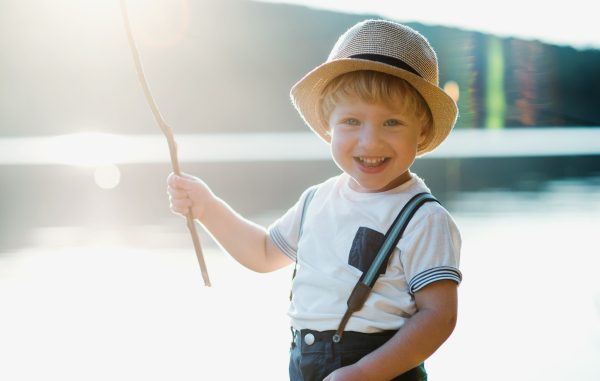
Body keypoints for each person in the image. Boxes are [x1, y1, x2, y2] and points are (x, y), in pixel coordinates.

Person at [167, 20, 461, 381]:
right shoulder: (316, 200)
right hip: (305, 363)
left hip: (382, 370)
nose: (370, 142)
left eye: (392, 123)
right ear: (328, 125)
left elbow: (438, 317)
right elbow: (262, 253)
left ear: (424, 130)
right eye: (352, 121)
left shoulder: (423, 218)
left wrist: (364, 373)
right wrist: (207, 208)